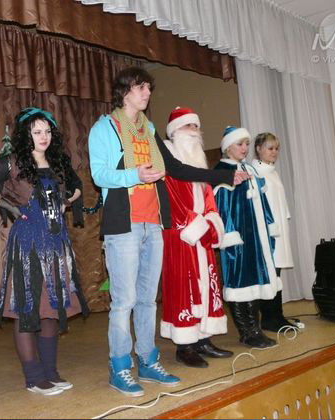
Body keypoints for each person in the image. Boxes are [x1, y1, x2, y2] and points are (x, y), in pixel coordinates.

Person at [88, 67, 248, 397]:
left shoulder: (148, 129)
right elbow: (99, 175)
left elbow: (174, 169)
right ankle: (119, 367)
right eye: (141, 87)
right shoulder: (104, 128)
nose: (147, 93)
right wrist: (135, 175)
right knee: (124, 301)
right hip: (124, 225)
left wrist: (222, 176)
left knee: (147, 300)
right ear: (124, 91)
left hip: (154, 223)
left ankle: (148, 361)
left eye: (149, 88)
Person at [0, 107, 89, 396]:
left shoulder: (58, 161)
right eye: (37, 132)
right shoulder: (12, 163)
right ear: (26, 135)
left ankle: (50, 372)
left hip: (56, 243)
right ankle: (34, 378)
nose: (43, 136)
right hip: (27, 244)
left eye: (47, 131)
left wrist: (66, 202)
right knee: (27, 310)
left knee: (51, 310)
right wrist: (9, 207)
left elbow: (77, 186)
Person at [160, 107, 233, 368]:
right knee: (184, 288)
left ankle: (203, 338)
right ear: (174, 131)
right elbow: (170, 199)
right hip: (180, 236)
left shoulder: (199, 161)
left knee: (206, 287)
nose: (194, 132)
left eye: (196, 127)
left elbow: (209, 198)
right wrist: (195, 225)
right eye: (188, 126)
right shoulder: (168, 159)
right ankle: (185, 345)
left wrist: (211, 222)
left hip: (201, 235)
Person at [213, 126, 281, 349]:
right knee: (240, 283)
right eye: (239, 144)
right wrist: (230, 236)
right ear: (227, 147)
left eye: (246, 144)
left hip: (256, 237)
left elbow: (263, 202)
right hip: (239, 239)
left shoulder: (249, 168)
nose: (244, 148)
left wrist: (270, 225)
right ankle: (247, 332)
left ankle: (255, 329)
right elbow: (222, 207)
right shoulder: (222, 171)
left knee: (256, 282)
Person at [252, 132, 296, 332]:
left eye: (276, 148)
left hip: (279, 230)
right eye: (270, 148)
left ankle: (277, 316)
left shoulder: (272, 172)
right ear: (258, 149)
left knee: (276, 274)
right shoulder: (256, 172)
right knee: (270, 275)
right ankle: (270, 319)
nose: (274, 152)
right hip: (267, 232)